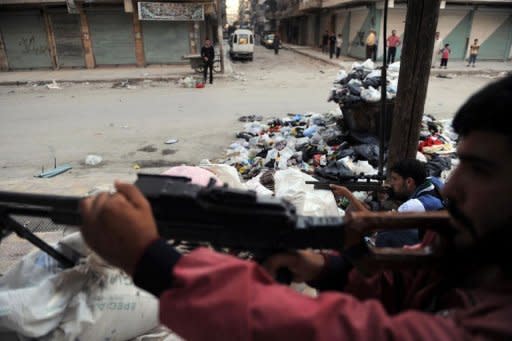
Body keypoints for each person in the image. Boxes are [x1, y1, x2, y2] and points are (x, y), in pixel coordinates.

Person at [80, 76, 512, 340]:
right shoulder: (479, 248)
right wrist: (328, 270)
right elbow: (412, 294)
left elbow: (321, 331)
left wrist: (157, 265)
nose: (453, 184)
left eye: (481, 169)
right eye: (461, 163)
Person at [330, 159, 444, 247]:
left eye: (395, 179)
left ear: (409, 181)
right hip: (434, 237)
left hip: (427, 247)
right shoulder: (432, 181)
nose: (391, 183)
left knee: (385, 234)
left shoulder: (414, 205)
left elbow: (375, 224)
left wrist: (347, 194)